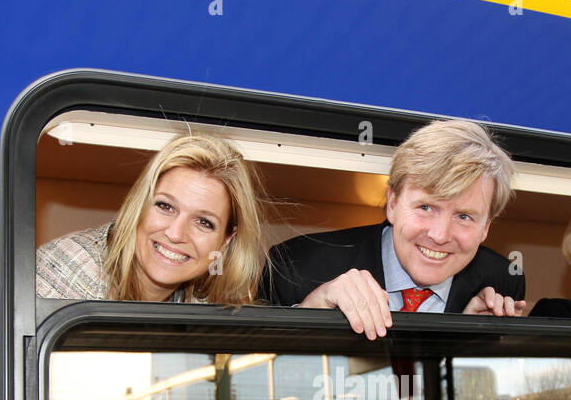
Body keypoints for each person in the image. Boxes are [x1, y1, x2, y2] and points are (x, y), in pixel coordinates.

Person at [261, 119, 526, 339]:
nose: (440, 235)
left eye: (465, 216)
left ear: (485, 229)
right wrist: (311, 312)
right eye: (426, 207)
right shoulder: (295, 265)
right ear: (393, 203)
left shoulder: (502, 283)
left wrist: (469, 342)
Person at [35, 133, 267, 305]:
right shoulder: (72, 268)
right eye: (165, 206)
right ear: (140, 206)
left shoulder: (201, 300)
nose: (175, 234)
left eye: (204, 222)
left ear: (225, 241)